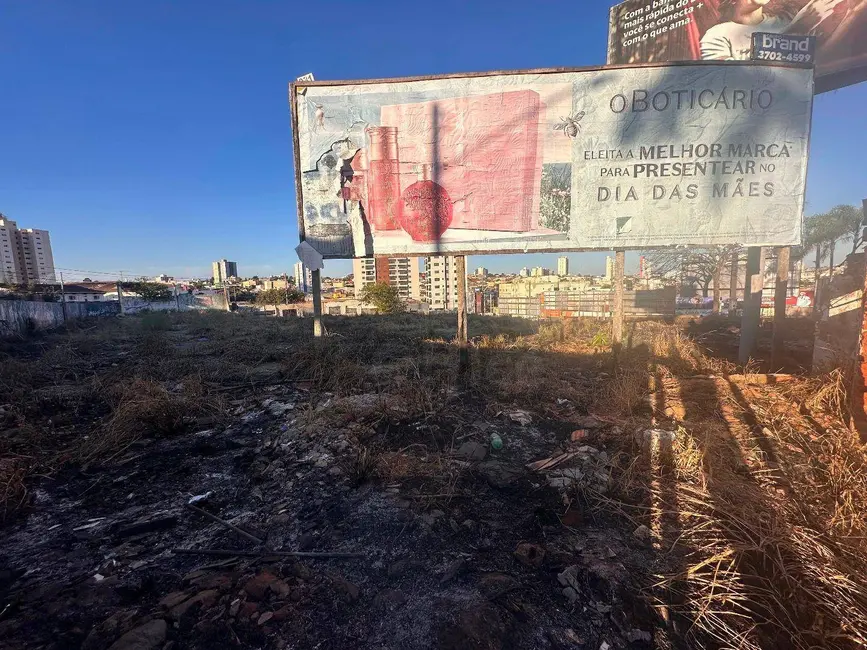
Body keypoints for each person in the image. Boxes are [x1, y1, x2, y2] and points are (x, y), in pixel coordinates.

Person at [700, 0, 846, 60]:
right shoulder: (716, 35)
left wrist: (850, 16)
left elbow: (822, 59)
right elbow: (724, 81)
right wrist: (796, 29)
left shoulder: (786, 19)